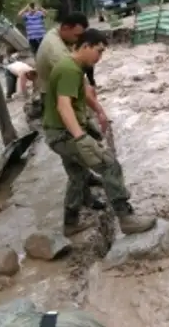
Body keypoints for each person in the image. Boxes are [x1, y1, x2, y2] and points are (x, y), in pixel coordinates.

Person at [44, 28, 157, 236]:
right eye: (99, 51)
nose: (100, 57)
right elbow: (63, 106)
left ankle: (70, 223)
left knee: (78, 176)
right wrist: (80, 137)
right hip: (64, 134)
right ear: (85, 46)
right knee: (109, 165)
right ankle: (126, 218)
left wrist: (99, 111)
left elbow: (80, 95)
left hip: (55, 133)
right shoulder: (69, 69)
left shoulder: (71, 66)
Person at [35, 12, 105, 204]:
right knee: (77, 146)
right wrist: (98, 110)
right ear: (65, 27)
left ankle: (85, 183)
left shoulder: (58, 36)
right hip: (57, 101)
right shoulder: (56, 51)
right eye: (77, 36)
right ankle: (83, 196)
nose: (79, 40)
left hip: (59, 95)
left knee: (75, 151)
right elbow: (77, 91)